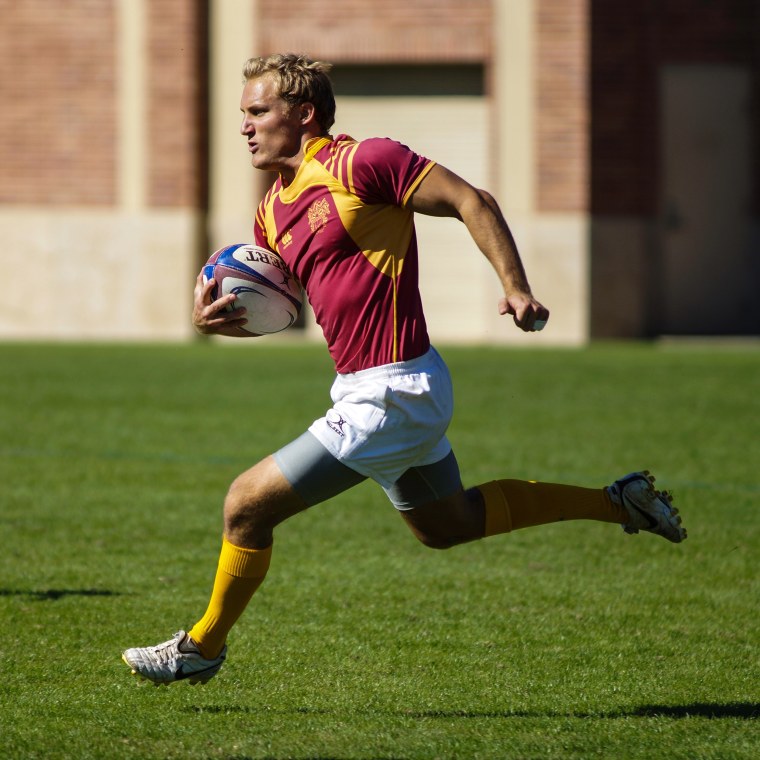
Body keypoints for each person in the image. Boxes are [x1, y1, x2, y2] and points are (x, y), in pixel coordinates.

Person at [122, 53, 686, 686]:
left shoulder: (363, 161)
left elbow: (471, 199)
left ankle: (202, 646)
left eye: (258, 112)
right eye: (243, 115)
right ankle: (620, 504)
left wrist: (516, 286)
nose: (246, 127)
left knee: (245, 506)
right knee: (449, 526)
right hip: (371, 388)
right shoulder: (270, 211)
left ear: (303, 115)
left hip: (395, 389)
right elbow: (283, 304)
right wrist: (218, 319)